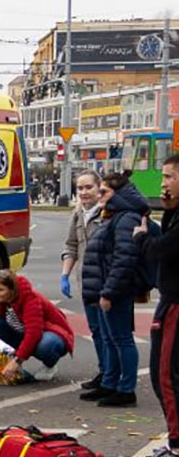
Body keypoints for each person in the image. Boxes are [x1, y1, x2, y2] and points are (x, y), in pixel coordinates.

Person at [79, 170, 150, 407]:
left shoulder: (125, 218)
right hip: (105, 288)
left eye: (103, 191)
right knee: (111, 339)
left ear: (116, 194)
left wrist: (109, 292)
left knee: (121, 339)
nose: (99, 195)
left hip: (117, 291)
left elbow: (123, 259)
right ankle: (110, 383)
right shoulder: (114, 216)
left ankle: (126, 388)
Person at [136, 153, 179, 457]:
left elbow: (161, 250)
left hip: (176, 303)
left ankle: (177, 447)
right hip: (171, 298)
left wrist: (142, 237)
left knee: (166, 374)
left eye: (168, 177)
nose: (163, 183)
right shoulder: (174, 214)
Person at [61, 170, 106, 390]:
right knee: (96, 330)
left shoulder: (107, 214)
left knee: (110, 333)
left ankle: (113, 377)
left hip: (105, 282)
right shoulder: (78, 213)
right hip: (86, 281)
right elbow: (71, 245)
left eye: (89, 187)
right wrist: (65, 275)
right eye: (80, 188)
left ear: (99, 188)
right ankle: (104, 372)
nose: (84, 192)